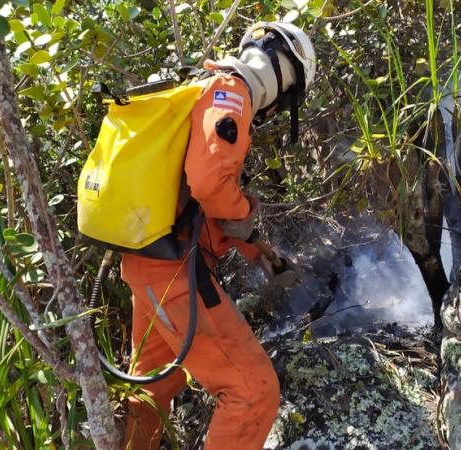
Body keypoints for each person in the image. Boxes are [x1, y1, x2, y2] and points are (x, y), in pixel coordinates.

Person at [121, 22, 316, 450]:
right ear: (285, 78)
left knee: (153, 386)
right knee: (253, 393)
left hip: (147, 261)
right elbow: (209, 184)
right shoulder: (231, 93)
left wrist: (256, 249)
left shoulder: (201, 84)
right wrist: (246, 213)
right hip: (173, 273)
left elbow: (191, 200)